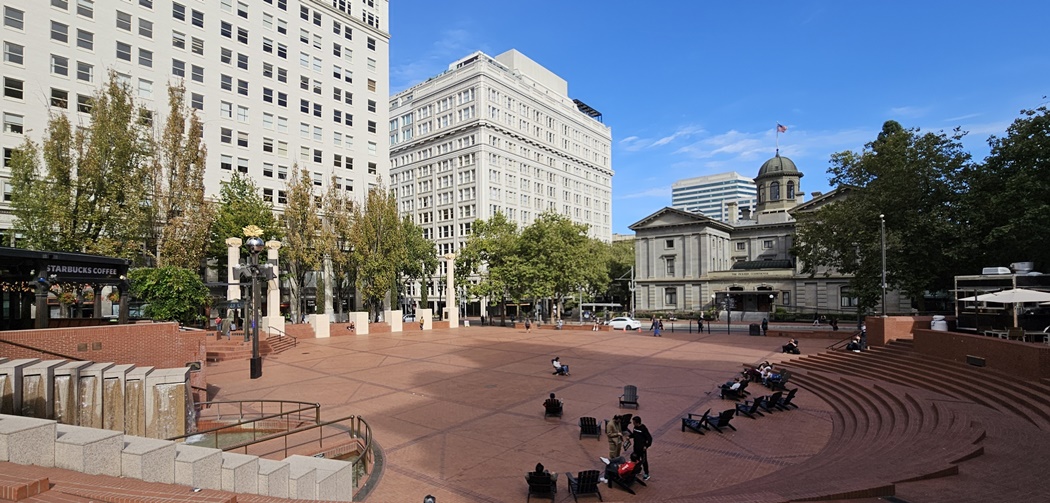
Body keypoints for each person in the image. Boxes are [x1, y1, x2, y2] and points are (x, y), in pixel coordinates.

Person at [628, 416, 651, 480]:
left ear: (637, 422)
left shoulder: (643, 429)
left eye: (634, 422)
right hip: (636, 447)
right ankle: (637, 470)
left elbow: (649, 438)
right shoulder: (635, 428)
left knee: (644, 461)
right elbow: (634, 434)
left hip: (642, 449)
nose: (633, 423)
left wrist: (646, 446)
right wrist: (630, 436)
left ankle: (646, 473)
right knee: (635, 459)